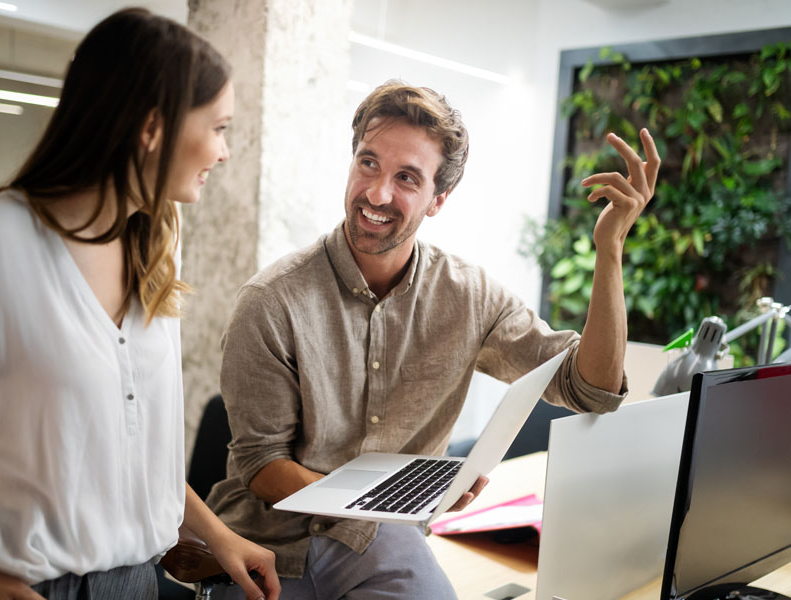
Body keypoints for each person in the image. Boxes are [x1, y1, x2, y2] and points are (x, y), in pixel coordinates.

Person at [206, 81, 660, 598]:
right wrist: (395, 497)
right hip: (266, 542)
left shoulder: (469, 296)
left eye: (406, 178)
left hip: (380, 539)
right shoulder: (270, 301)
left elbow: (591, 391)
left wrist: (610, 249)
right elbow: (263, 468)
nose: (377, 193)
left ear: (438, 199)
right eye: (368, 163)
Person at [0, 9, 279, 600]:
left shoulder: (157, 241)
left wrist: (217, 536)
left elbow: (130, 448)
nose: (225, 152)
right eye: (219, 127)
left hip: (140, 584)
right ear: (153, 128)